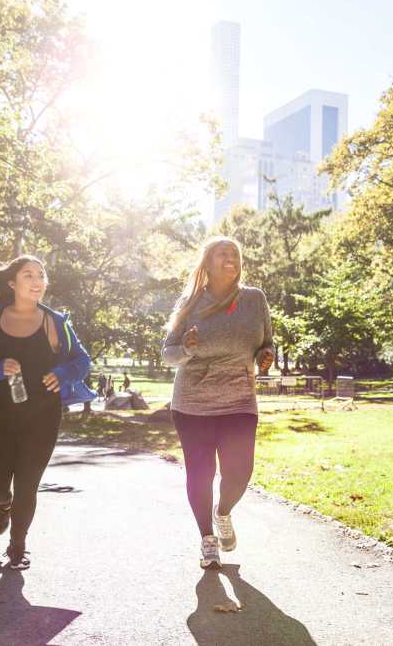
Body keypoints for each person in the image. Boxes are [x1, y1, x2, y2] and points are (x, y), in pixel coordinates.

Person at [0, 255, 95, 570]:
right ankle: (4, 505)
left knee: (28, 483)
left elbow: (83, 362)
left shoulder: (54, 322)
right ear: (13, 283)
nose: (37, 281)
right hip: (2, 415)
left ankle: (18, 547)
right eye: (28, 275)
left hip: (43, 416)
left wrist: (63, 373)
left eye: (41, 275)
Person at [162, 236, 274, 569]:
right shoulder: (191, 301)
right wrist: (187, 348)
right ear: (208, 263)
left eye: (235, 254)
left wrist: (265, 357)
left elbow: (266, 342)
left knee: (239, 473)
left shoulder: (254, 299)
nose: (230, 258)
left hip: (239, 397)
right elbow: (168, 353)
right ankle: (207, 539)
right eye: (222, 253)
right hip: (193, 402)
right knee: (200, 472)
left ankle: (223, 512)